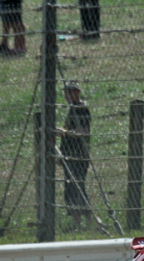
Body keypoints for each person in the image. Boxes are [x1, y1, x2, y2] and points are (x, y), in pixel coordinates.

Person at [57, 81, 92, 229]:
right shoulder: (72, 109)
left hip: (79, 154)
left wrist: (65, 133)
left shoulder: (81, 109)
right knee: (71, 187)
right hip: (69, 153)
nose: (67, 96)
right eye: (66, 93)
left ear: (78, 92)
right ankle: (76, 221)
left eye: (70, 92)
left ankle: (90, 220)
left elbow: (84, 131)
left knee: (78, 186)